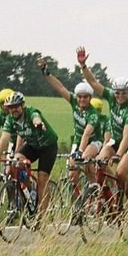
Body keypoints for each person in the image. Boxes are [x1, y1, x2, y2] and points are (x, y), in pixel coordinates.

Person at [78, 47, 128, 203]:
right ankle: (111, 193)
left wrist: (118, 155)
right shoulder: (112, 97)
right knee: (99, 161)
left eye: (123, 93)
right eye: (117, 92)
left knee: (120, 173)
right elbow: (92, 82)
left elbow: (127, 136)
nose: (119, 96)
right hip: (116, 140)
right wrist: (83, 65)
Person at [0, 91, 59, 219]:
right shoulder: (10, 120)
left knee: (42, 178)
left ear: (22, 105)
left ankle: (42, 216)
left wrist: (38, 123)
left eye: (16, 106)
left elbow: (36, 118)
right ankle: (30, 192)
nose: (14, 110)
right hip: (33, 145)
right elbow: (4, 138)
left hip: (48, 146)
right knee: (13, 163)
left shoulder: (31, 112)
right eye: (10, 107)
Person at [41, 62, 104, 190]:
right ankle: (77, 204)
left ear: (90, 98)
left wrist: (80, 151)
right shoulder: (74, 102)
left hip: (93, 140)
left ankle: (94, 188)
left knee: (86, 159)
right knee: (72, 175)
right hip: (78, 139)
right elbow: (60, 88)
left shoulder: (93, 113)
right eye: (80, 97)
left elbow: (87, 134)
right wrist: (47, 74)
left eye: (85, 97)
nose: (82, 100)